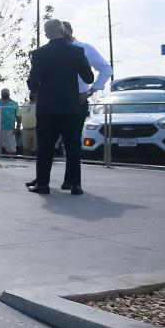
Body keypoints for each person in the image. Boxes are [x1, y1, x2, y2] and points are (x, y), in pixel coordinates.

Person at [26, 18, 94, 195]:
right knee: (72, 146)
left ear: (46, 33)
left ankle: (42, 184)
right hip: (70, 107)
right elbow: (89, 78)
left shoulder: (39, 54)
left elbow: (32, 84)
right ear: (63, 30)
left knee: (45, 146)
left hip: (47, 108)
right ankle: (75, 185)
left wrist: (36, 85)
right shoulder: (77, 51)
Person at [61, 20, 113, 186]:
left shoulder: (85, 49)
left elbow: (106, 69)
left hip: (77, 100)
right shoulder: (54, 50)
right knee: (47, 143)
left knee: (73, 142)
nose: (61, 34)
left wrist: (91, 91)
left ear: (70, 31)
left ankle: (73, 181)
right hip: (56, 101)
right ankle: (42, 179)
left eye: (64, 31)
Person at [0, 88, 19, 156]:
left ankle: (10, 161)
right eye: (3, 92)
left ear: (9, 94)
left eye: (6, 92)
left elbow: (18, 116)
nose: (5, 94)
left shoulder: (14, 103)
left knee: (10, 148)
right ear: (1, 94)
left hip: (10, 128)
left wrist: (18, 127)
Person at [18, 92, 38, 156]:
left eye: (33, 94)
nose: (32, 95)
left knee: (38, 148)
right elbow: (19, 116)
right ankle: (27, 162)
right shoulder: (24, 104)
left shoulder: (39, 104)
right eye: (31, 94)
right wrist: (18, 127)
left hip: (36, 130)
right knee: (26, 148)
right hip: (25, 130)